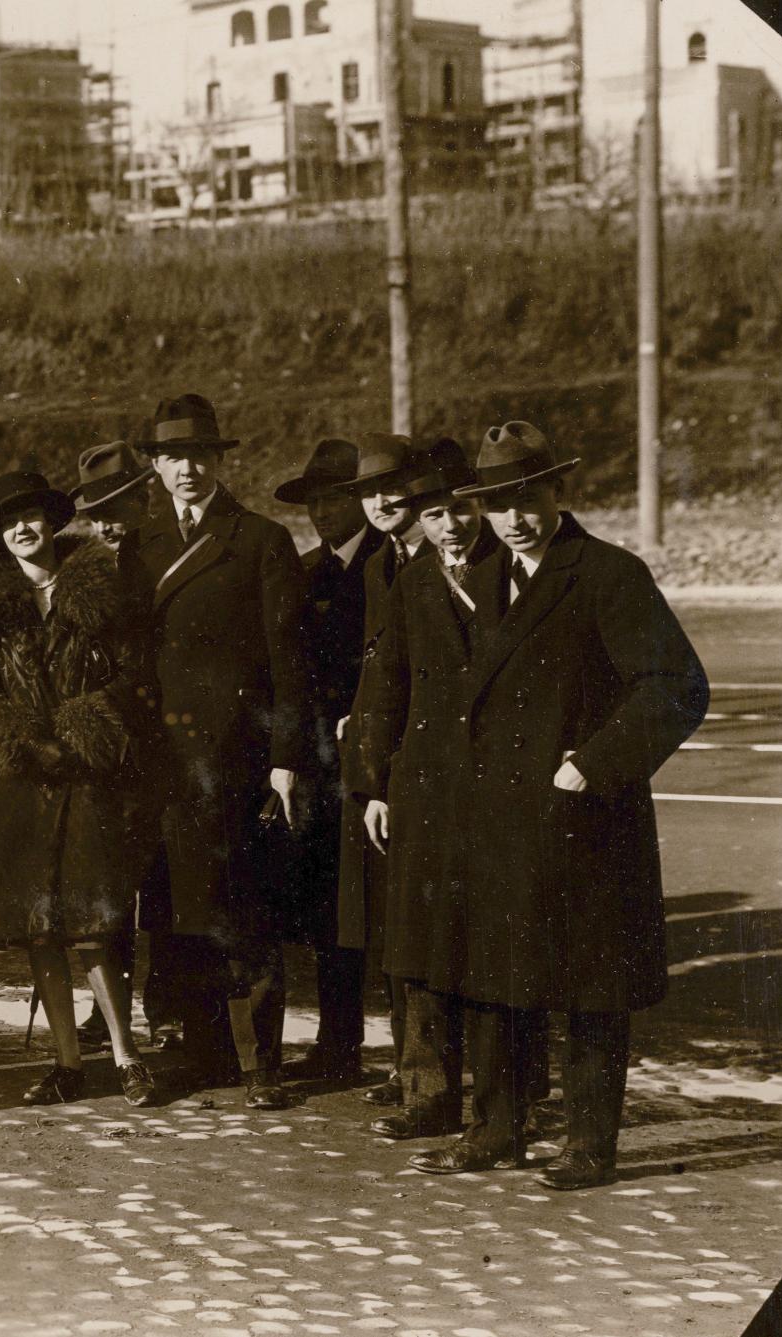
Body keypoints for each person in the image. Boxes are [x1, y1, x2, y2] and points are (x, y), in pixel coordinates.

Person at [410, 422, 708, 1191]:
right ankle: (496, 1129)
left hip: (583, 820)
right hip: (495, 824)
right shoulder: (480, 580)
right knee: (494, 978)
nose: (515, 517)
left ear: (558, 491)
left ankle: (589, 1144)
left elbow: (677, 686)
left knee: (590, 988)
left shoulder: (608, 574)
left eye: (528, 496)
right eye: (498, 502)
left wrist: (595, 763)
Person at [132, 394, 312, 1111]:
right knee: (175, 916)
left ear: (220, 462)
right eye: (173, 457)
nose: (187, 469)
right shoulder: (138, 547)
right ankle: (195, 1052)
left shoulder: (261, 540)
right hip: (166, 766)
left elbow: (289, 661)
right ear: (155, 465)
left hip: (236, 762)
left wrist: (285, 758)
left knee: (245, 912)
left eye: (200, 456)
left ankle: (259, 1059)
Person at [0, 471, 157, 1107]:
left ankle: (126, 1056)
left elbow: (133, 672)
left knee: (94, 925)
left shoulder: (101, 590)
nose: (23, 529)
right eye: (9, 522)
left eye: (33, 517)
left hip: (87, 772)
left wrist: (83, 728)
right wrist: (18, 735)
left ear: (53, 523)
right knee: (37, 928)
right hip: (20, 782)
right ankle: (66, 1062)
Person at [349, 437, 489, 1144]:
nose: (450, 525)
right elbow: (385, 686)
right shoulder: (410, 582)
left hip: (496, 786)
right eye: (434, 513)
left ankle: (501, 1105)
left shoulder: (511, 572)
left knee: (490, 946)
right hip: (425, 785)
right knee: (418, 939)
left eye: (461, 509)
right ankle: (427, 1092)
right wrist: (373, 784)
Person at [322, 435, 433, 1101]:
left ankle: (435, 1073)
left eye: (394, 489)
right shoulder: (381, 565)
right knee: (390, 923)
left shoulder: (444, 558)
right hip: (385, 761)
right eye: (369, 492)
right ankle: (410, 1067)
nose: (382, 502)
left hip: (427, 763)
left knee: (421, 926)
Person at [271, 437, 382, 1089]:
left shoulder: (385, 564)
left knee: (379, 910)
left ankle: (402, 1055)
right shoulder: (308, 571)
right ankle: (338, 1043)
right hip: (320, 762)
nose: (320, 509)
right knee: (330, 911)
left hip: (372, 759)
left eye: (333, 496)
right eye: (312, 499)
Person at [70, 440, 172, 1047]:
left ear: (145, 497)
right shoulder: (90, 564)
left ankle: (164, 1006)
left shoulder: (164, 552)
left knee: (160, 888)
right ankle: (106, 1010)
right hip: (110, 747)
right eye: (98, 511)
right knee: (108, 885)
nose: (108, 521)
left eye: (119, 505)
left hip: (163, 738)